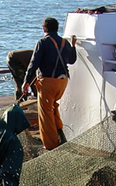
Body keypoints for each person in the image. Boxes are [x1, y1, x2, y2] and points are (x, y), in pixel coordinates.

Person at [21, 17, 77, 150]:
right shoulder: (65, 42)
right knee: (53, 107)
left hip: (48, 82)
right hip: (62, 82)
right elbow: (72, 60)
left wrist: (26, 82)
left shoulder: (42, 42)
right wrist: (73, 45)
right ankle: (59, 135)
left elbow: (33, 64)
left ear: (44, 29)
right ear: (57, 28)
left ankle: (51, 147)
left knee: (45, 115)